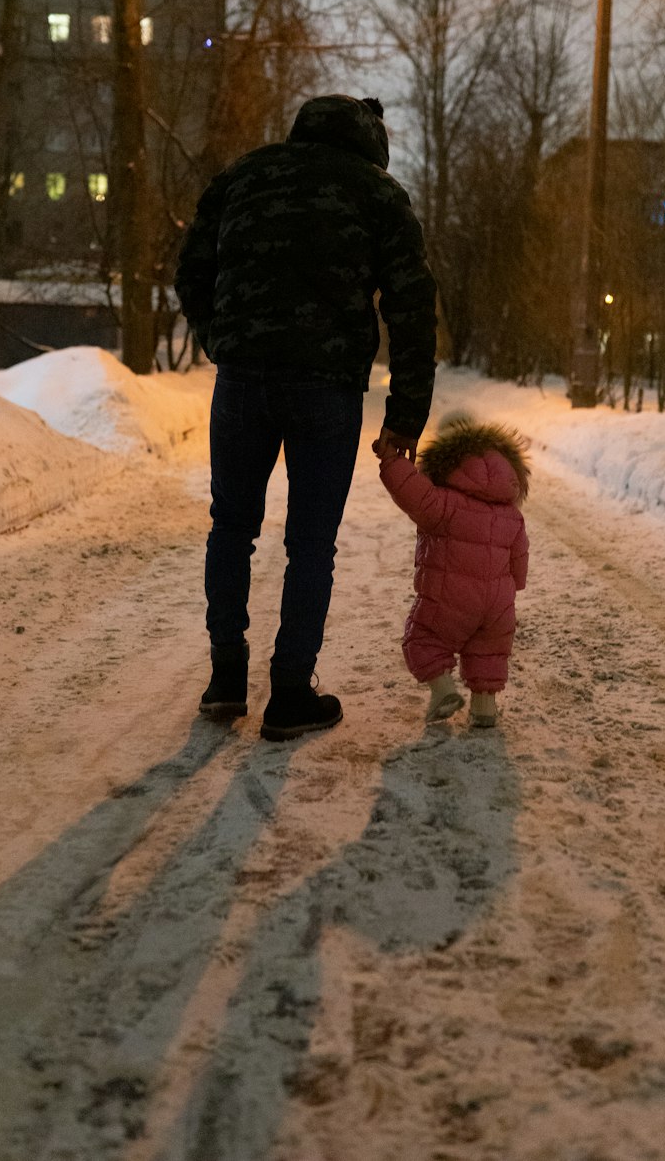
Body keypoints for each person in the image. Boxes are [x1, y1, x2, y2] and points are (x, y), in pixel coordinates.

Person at [175, 95, 437, 741]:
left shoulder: (243, 177)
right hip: (327, 389)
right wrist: (405, 416)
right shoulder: (377, 194)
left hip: (242, 383)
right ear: (370, 141)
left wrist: (222, 338)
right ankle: (291, 692)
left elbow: (191, 271)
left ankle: (226, 679)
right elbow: (411, 306)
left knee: (231, 526)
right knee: (310, 543)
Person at [375, 414, 529, 729]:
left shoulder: (443, 503)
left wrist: (391, 460)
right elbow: (520, 558)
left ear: (450, 459)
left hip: (452, 598)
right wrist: (515, 585)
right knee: (488, 653)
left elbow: (410, 491)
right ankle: (485, 708)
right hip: (498, 606)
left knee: (422, 638)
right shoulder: (511, 514)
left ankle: (443, 691)